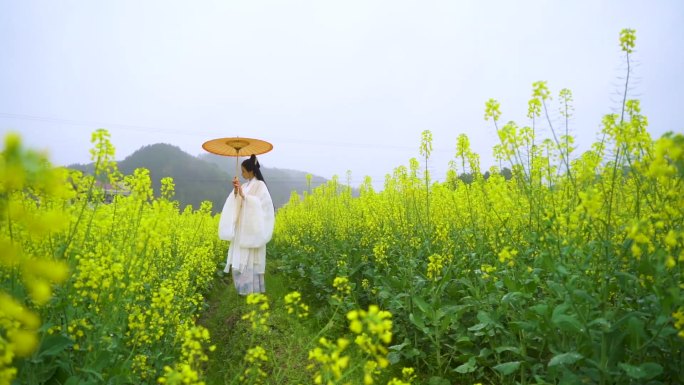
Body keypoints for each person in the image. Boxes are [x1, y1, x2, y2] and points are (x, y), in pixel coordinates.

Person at [218, 154, 275, 295]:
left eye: (244, 171)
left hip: (252, 229)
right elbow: (237, 202)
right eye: (241, 171)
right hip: (242, 228)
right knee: (241, 258)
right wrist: (237, 191)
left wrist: (245, 197)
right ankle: (243, 289)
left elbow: (264, 206)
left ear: (252, 171)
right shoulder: (244, 185)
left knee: (250, 259)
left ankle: (253, 291)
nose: (242, 174)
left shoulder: (260, 185)